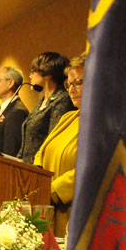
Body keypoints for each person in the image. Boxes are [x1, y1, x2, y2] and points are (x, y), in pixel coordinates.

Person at [34, 52, 85, 236]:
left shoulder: (106, 125)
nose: (72, 89)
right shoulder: (68, 117)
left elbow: (92, 168)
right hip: (47, 209)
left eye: (79, 82)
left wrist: (53, 191)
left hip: (75, 214)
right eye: (69, 84)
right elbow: (41, 152)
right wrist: (35, 183)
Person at [17, 51, 76, 164]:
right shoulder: (42, 101)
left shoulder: (62, 101)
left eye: (33, 71)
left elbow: (52, 142)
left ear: (47, 74)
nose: (30, 75)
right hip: (26, 168)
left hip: (41, 170)